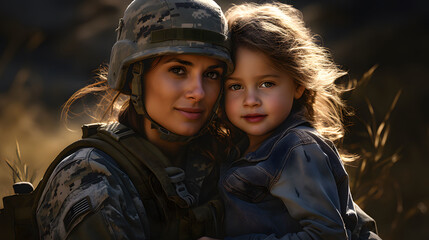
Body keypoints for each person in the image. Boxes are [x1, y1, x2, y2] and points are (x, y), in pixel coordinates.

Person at [35, 0, 233, 239]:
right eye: (178, 70)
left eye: (212, 74)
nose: (199, 92)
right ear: (133, 77)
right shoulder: (92, 175)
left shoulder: (225, 159)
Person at [202, 2, 380, 240]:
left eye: (267, 84)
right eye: (236, 86)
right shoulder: (238, 147)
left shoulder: (298, 147)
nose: (251, 100)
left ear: (298, 84)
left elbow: (327, 235)